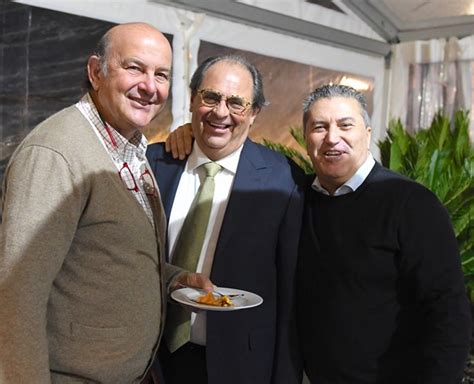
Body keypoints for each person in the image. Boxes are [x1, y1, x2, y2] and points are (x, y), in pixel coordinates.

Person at [0, 22, 212, 384]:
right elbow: (16, 296)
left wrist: (173, 279)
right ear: (95, 72)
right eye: (134, 68)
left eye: (161, 74)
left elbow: (108, 252)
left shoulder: (128, 147)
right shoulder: (57, 152)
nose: (150, 86)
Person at [297, 84, 471, 383]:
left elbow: (448, 313)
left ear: (367, 132)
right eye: (319, 127)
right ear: (306, 136)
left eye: (345, 125)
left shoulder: (412, 204)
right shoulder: (296, 196)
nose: (332, 138)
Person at [146, 54, 304, 384]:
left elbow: (291, 295)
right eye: (211, 97)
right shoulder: (154, 164)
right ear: (192, 99)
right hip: (149, 360)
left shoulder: (283, 180)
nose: (221, 112)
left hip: (238, 366)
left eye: (236, 103)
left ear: (255, 113)